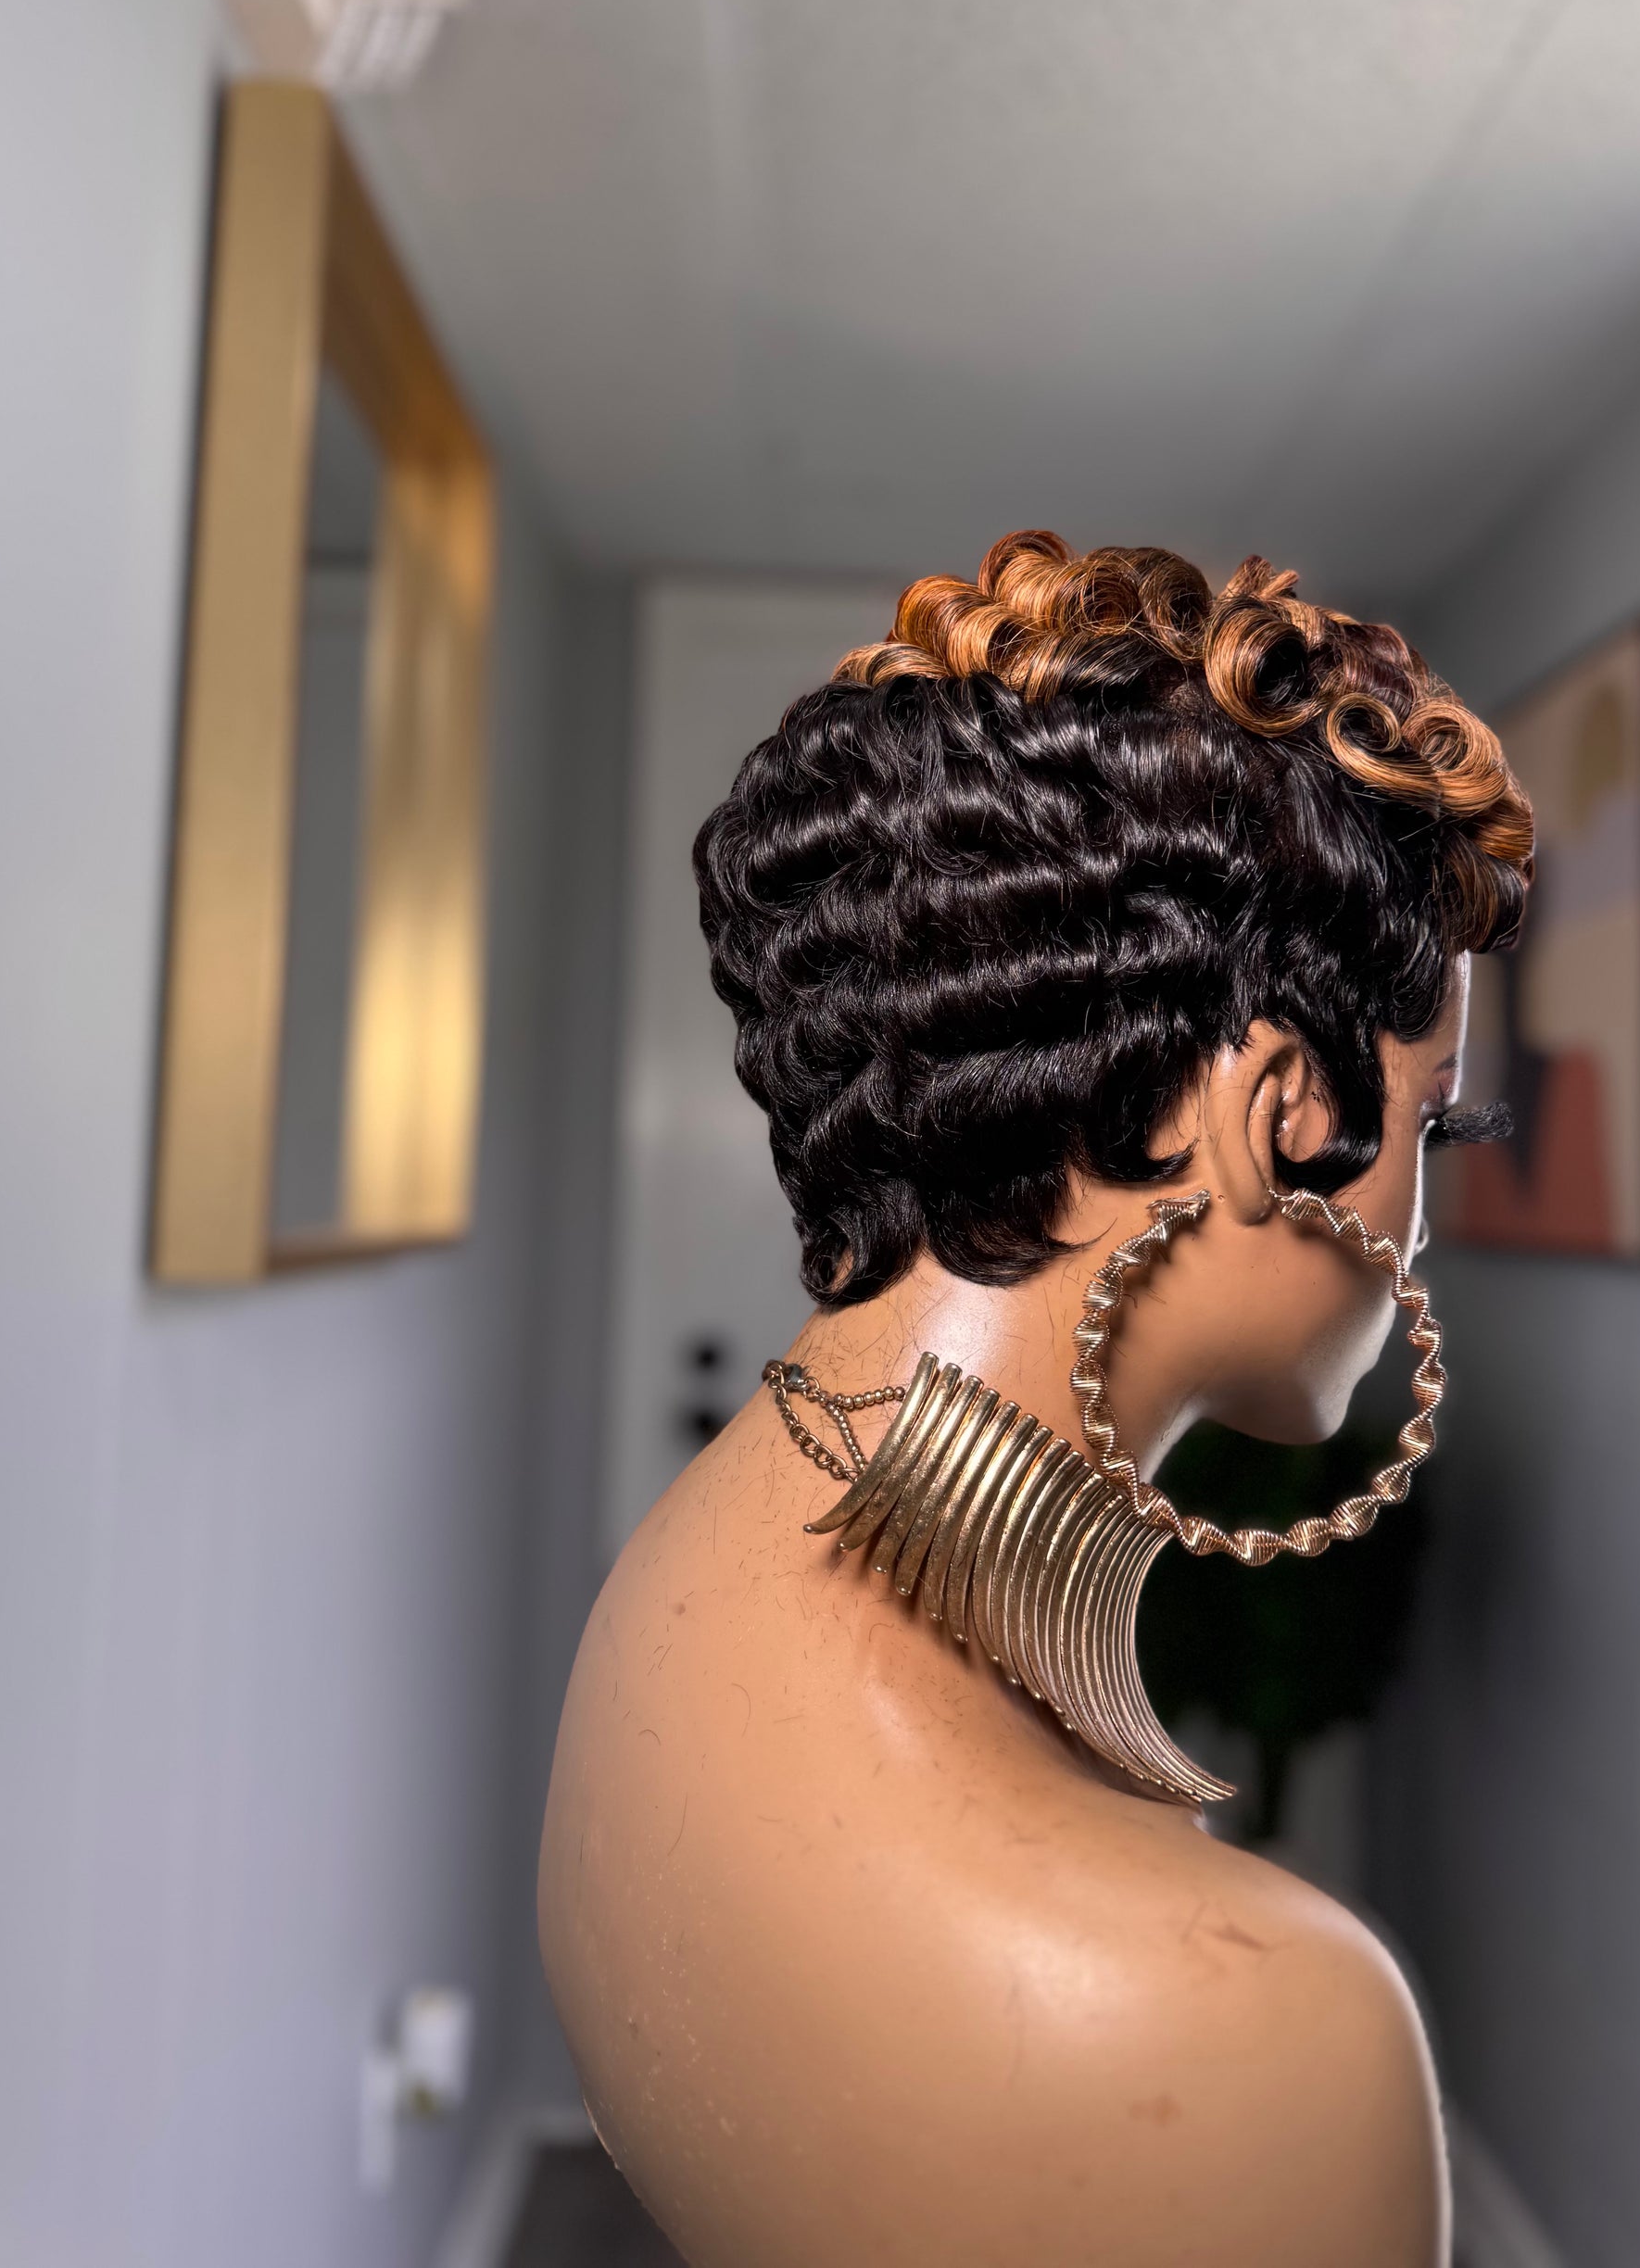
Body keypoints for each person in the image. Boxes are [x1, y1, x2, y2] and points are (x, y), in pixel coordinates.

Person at [540, 532, 1533, 2267]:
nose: (1423, 1218)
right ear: (1276, 1114)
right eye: (1431, 1122)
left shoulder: (678, 1583)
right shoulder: (1255, 2031)